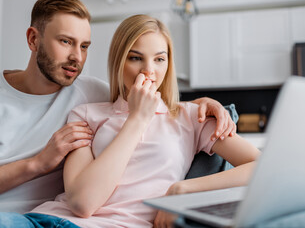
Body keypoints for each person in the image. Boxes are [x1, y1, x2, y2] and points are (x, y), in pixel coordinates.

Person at [0, 14, 260, 227]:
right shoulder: (87, 113)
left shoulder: (193, 117)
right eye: (136, 58)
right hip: (44, 219)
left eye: (159, 59)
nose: (149, 70)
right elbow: (82, 202)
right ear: (119, 61)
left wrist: (184, 190)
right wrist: (137, 119)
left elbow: (262, 166)